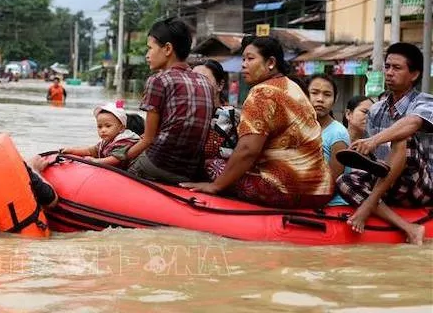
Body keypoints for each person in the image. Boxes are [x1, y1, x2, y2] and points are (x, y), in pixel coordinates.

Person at [181, 37, 333, 209]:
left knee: (212, 164)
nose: (243, 65)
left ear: (271, 62)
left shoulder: (262, 93)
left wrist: (215, 186)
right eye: (243, 59)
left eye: (250, 59)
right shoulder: (293, 87)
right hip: (321, 190)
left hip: (285, 190)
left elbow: (248, 150)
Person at [335, 42, 432, 245]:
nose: (389, 72)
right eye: (387, 67)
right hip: (389, 183)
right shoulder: (376, 110)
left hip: (421, 186)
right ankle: (409, 228)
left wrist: (374, 140)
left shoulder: (426, 102)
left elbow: (412, 122)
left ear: (414, 75)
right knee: (345, 181)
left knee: (402, 136)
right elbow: (377, 162)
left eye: (396, 68)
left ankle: (369, 204)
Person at [126, 17, 214, 184]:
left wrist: (117, 158)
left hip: (157, 164)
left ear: (167, 49)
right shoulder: (205, 82)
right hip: (190, 172)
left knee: (119, 171)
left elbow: (148, 139)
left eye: (149, 49)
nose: (146, 55)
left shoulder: (158, 80)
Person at [192, 59, 241, 180]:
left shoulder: (228, 114)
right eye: (192, 80)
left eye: (203, 79)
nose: (196, 85)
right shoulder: (189, 113)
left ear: (220, 85)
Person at [307, 74, 350, 206]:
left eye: (327, 94)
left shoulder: (338, 133)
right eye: (314, 93)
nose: (320, 99)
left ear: (335, 99)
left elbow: (330, 184)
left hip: (330, 205)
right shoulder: (299, 127)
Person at [60, 102, 140, 169]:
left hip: (131, 173)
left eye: (108, 126)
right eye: (99, 126)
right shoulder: (105, 142)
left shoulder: (123, 142)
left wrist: (95, 161)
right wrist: (71, 151)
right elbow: (90, 151)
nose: (103, 130)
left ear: (121, 128)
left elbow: (115, 159)